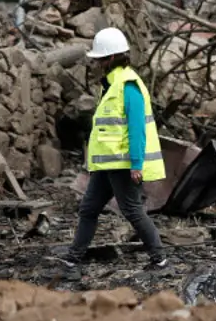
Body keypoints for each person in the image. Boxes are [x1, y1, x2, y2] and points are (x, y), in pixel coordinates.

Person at [59, 27, 168, 272]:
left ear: (110, 58)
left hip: (123, 164)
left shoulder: (128, 86)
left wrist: (136, 164)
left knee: (132, 210)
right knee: (89, 209)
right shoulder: (110, 85)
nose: (96, 64)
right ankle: (73, 258)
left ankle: (160, 258)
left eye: (99, 59)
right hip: (107, 164)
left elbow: (137, 128)